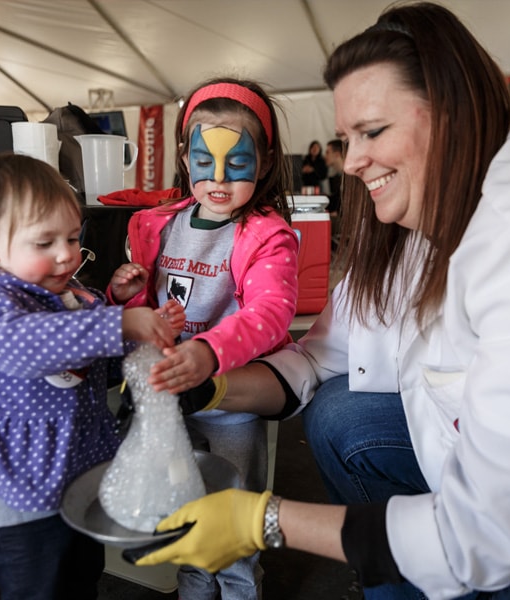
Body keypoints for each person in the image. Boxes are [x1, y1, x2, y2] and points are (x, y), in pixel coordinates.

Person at [135, 3, 510, 599]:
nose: (352, 161)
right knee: (341, 412)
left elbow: (483, 536)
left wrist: (261, 521)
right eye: (348, 138)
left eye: (373, 132)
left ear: (454, 113)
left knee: (482, 553)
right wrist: (208, 386)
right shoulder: (421, 220)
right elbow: (319, 358)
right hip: (499, 482)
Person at [0, 153, 185, 600]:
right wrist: (120, 324)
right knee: (38, 586)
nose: (67, 254)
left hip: (79, 471)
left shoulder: (72, 294)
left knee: (80, 575)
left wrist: (134, 318)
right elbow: (30, 345)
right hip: (20, 487)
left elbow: (95, 362)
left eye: (72, 237)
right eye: (44, 243)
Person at [107, 77, 299, 600]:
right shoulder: (154, 226)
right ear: (186, 158)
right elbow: (144, 311)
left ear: (263, 160)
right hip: (169, 404)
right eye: (204, 162)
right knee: (183, 510)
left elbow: (271, 312)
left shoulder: (266, 236)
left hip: (229, 404)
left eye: (235, 165)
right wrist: (127, 295)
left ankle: (239, 591)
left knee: (233, 514)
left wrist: (210, 352)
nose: (217, 179)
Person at [324, 138, 345, 214]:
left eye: (327, 152)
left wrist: (338, 212)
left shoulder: (350, 177)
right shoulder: (340, 175)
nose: (325, 156)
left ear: (337, 154)